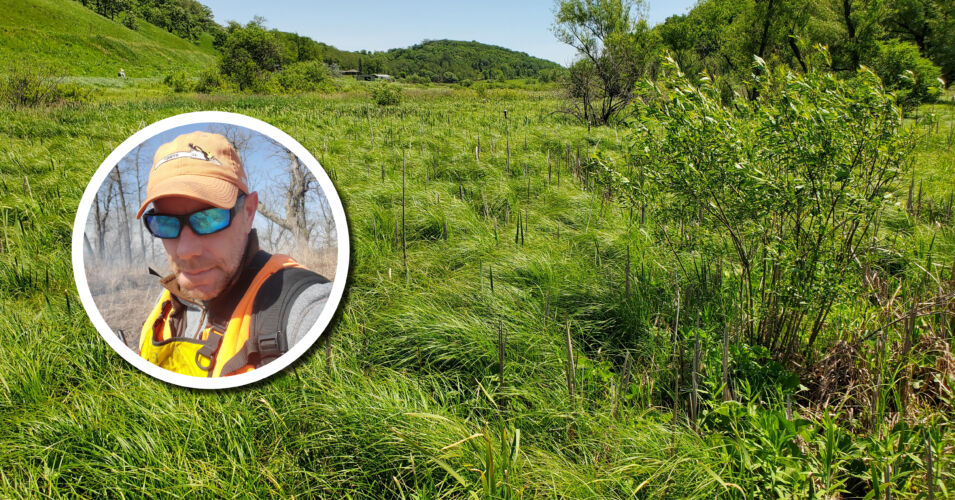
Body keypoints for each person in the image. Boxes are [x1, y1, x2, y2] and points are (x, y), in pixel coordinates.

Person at [135, 131, 332, 377]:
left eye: (209, 219)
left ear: (249, 212)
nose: (185, 251)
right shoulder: (164, 305)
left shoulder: (299, 306)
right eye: (165, 223)